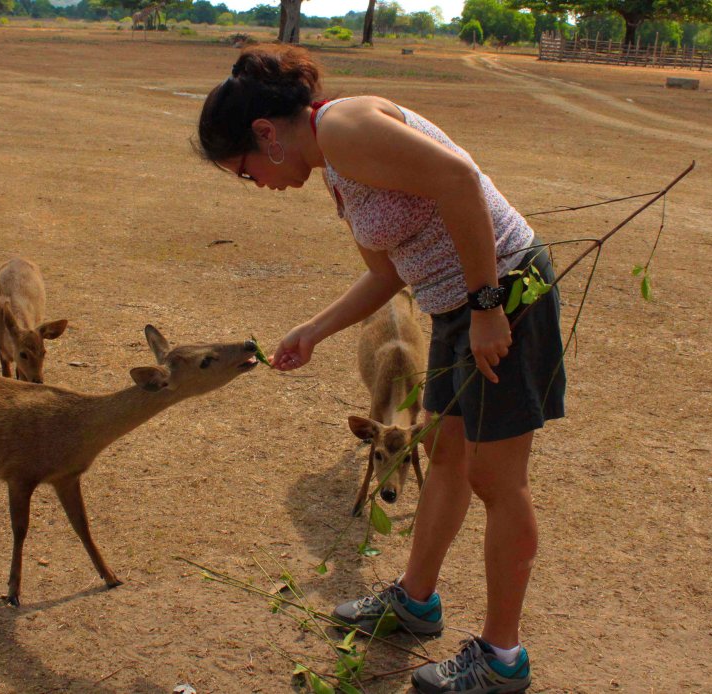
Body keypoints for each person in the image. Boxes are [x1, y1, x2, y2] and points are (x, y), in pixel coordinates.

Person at [196, 45, 565, 694]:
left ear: (265, 134)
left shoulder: (343, 129)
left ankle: (503, 658)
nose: (257, 186)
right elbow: (387, 274)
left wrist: (486, 306)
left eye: (246, 173)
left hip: (506, 295)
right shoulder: (335, 169)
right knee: (445, 457)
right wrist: (313, 331)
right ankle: (415, 602)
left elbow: (458, 178)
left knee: (496, 479)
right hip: (455, 307)